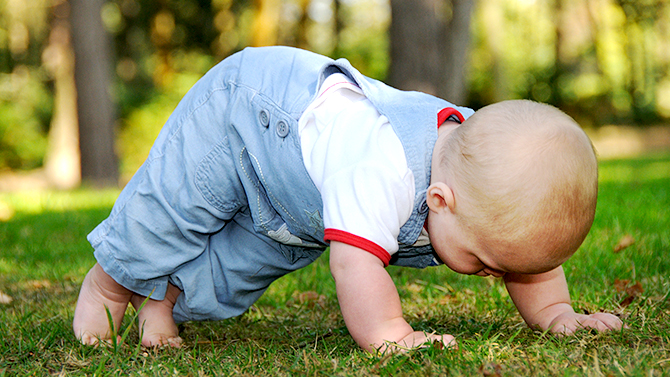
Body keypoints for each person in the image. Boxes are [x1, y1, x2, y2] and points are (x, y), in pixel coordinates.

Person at [73, 46, 623, 353]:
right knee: (174, 211)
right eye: (483, 262)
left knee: (235, 270)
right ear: (439, 199)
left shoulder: (488, 173)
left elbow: (526, 255)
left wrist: (555, 312)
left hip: (300, 197)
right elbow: (355, 266)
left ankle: (161, 305)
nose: (487, 275)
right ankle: (108, 284)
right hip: (245, 112)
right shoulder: (382, 169)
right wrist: (391, 333)